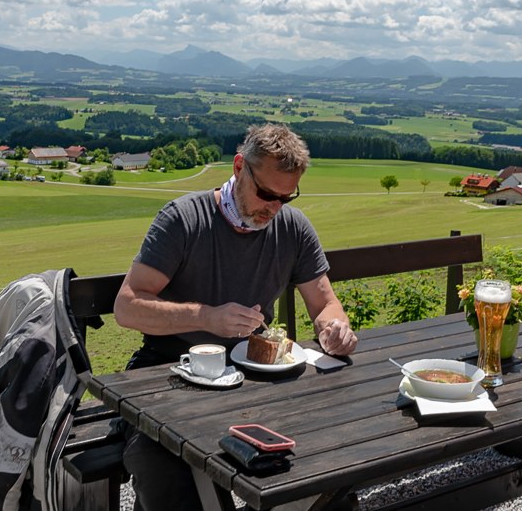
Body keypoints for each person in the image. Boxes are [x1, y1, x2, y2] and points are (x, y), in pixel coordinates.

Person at [113, 122, 357, 511]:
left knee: (327, 448)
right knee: (163, 464)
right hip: (170, 373)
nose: (273, 208)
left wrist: (333, 330)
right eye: (265, 194)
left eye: (285, 198)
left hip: (256, 376)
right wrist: (206, 317)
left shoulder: (292, 227)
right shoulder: (183, 219)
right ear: (239, 166)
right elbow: (126, 307)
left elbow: (326, 304)